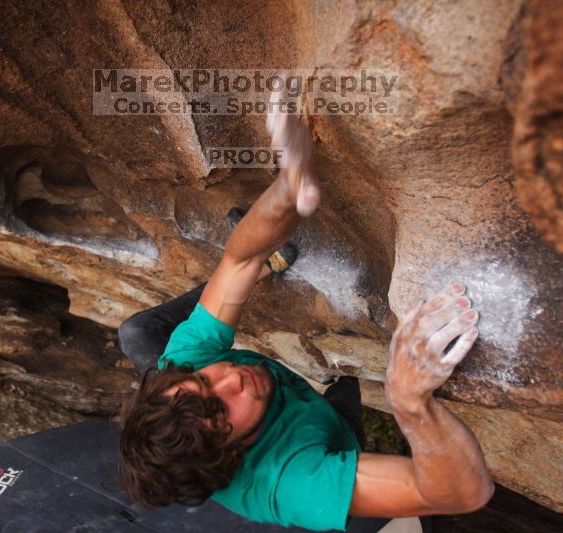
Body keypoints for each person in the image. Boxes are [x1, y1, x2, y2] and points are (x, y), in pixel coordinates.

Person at [117, 108, 494, 531]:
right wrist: (410, 405)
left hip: (300, 412)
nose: (230, 377)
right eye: (222, 410)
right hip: (328, 441)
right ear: (232, 456)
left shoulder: (186, 368)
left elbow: (240, 260)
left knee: (137, 334)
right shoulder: (291, 481)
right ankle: (346, 397)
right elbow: (462, 492)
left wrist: (288, 185)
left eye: (204, 381)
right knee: (345, 404)